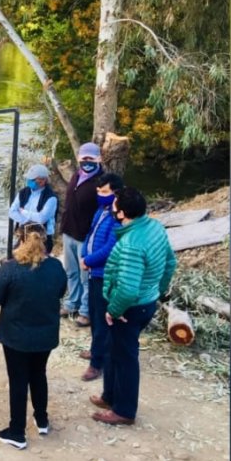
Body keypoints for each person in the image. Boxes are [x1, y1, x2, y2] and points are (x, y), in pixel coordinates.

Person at [91, 187, 176, 425]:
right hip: (146, 301)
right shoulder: (155, 227)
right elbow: (170, 262)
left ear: (122, 213)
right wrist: (157, 290)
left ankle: (124, 411)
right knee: (113, 349)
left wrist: (113, 310)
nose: (112, 205)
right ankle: (110, 395)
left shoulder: (130, 244)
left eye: (115, 204)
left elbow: (128, 289)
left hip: (129, 308)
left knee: (125, 358)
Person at [0, 221, 67, 449]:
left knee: (18, 380)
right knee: (39, 374)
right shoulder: (56, 267)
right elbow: (61, 291)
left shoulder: (11, 268)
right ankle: (42, 419)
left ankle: (17, 431)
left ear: (20, 240)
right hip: (45, 333)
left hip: (16, 334)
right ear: (45, 241)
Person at [77, 172, 125, 381]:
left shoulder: (118, 216)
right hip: (92, 271)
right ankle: (96, 349)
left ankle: (97, 363)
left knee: (101, 318)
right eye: (98, 191)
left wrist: (89, 260)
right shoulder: (101, 210)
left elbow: (110, 247)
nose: (99, 195)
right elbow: (90, 234)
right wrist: (84, 255)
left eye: (104, 192)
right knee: (95, 315)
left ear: (116, 192)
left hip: (104, 274)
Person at [60, 142, 106, 327]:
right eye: (83, 158)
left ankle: (86, 311)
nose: (86, 162)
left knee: (85, 275)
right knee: (71, 272)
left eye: (90, 158)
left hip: (86, 236)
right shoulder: (76, 175)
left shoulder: (101, 182)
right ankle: (72, 303)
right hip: (69, 231)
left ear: (98, 159)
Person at [8, 164, 58, 254]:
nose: (29, 181)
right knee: (16, 256)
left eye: (32, 179)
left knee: (38, 260)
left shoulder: (51, 198)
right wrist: (28, 222)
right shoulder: (23, 192)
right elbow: (12, 212)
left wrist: (23, 212)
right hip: (25, 235)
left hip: (42, 238)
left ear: (43, 180)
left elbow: (41, 218)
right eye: (29, 179)